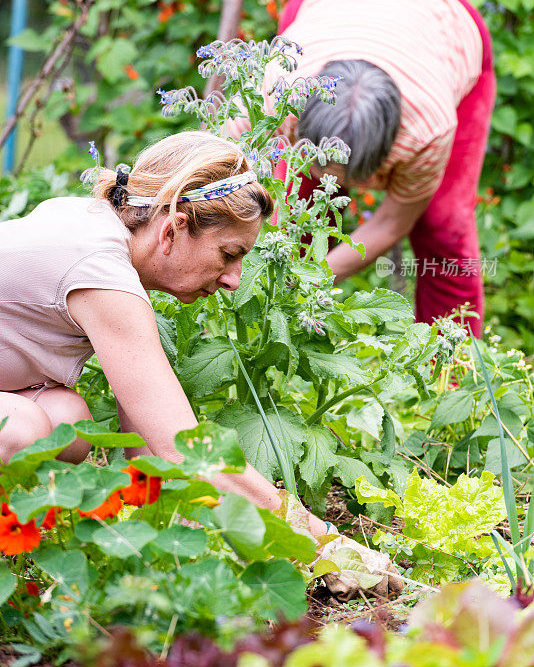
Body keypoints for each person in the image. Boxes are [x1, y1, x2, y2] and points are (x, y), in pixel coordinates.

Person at [0, 129, 402, 598]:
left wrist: (194, 537)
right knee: (20, 429)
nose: (234, 280)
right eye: (228, 255)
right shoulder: (99, 272)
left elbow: (149, 450)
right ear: (173, 228)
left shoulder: (97, 224)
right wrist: (325, 546)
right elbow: (183, 449)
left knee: (68, 421)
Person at [230, 0, 496, 338]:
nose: (331, 182)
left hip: (448, 26)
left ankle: (454, 374)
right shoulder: (278, 89)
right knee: (289, 212)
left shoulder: (428, 128)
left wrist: (311, 282)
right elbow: (218, 163)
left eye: (346, 173)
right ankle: (273, 349)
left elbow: (392, 222)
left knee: (443, 226)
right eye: (319, 163)